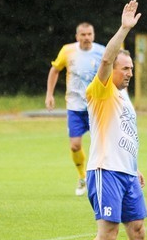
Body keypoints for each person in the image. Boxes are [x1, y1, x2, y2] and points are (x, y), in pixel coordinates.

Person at [62, 0, 147, 240]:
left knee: (138, 229)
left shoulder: (123, 96)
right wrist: (124, 29)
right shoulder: (100, 90)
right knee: (107, 235)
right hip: (105, 172)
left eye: (132, 67)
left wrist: (135, 168)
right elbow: (106, 59)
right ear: (110, 69)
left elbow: (124, 136)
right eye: (125, 68)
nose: (129, 73)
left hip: (126, 173)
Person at [45, 22, 105, 196]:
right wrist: (49, 94)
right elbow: (55, 70)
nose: (86, 37)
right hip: (75, 107)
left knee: (101, 146)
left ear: (93, 35)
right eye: (83, 35)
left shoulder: (102, 52)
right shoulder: (67, 51)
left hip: (97, 107)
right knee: (75, 146)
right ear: (77, 36)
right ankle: (82, 177)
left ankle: (103, 180)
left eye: (89, 34)